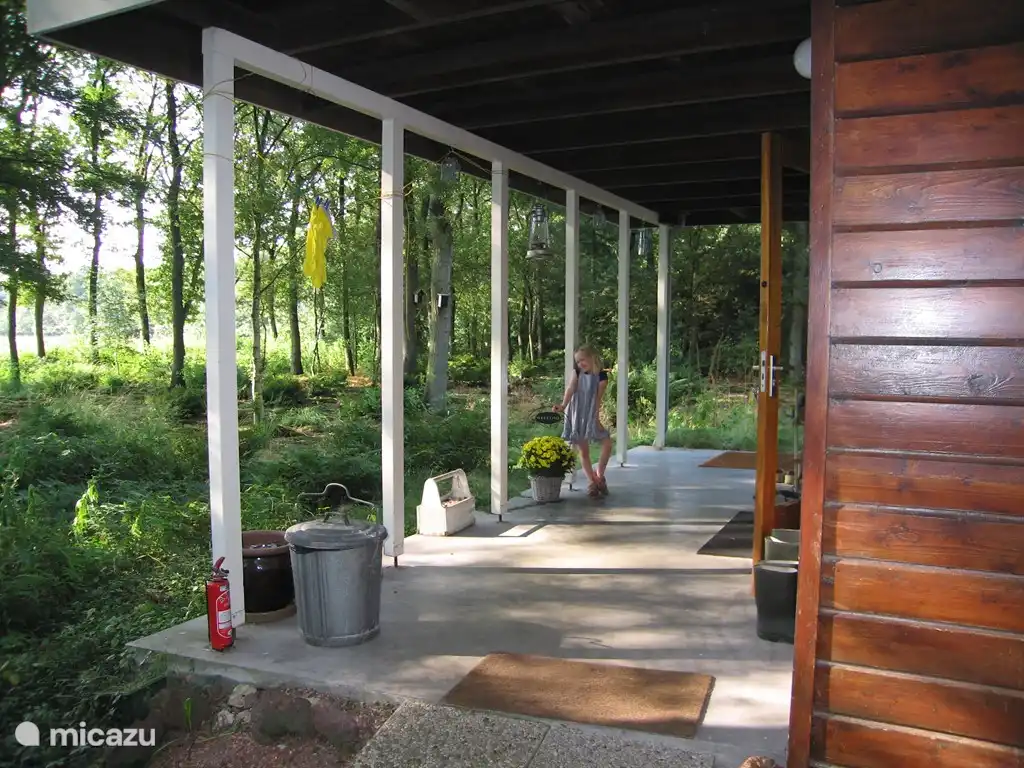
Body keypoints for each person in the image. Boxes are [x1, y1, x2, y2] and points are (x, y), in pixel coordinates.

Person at [553, 344, 613, 498]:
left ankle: (600, 475)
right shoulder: (577, 373)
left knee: (607, 442)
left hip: (591, 413)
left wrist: (596, 418)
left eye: (582, 360)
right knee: (583, 450)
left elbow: (598, 399)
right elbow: (571, 389)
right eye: (577, 362)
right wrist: (563, 405)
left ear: (592, 358)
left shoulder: (602, 376)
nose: (580, 364)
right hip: (577, 414)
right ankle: (592, 482)